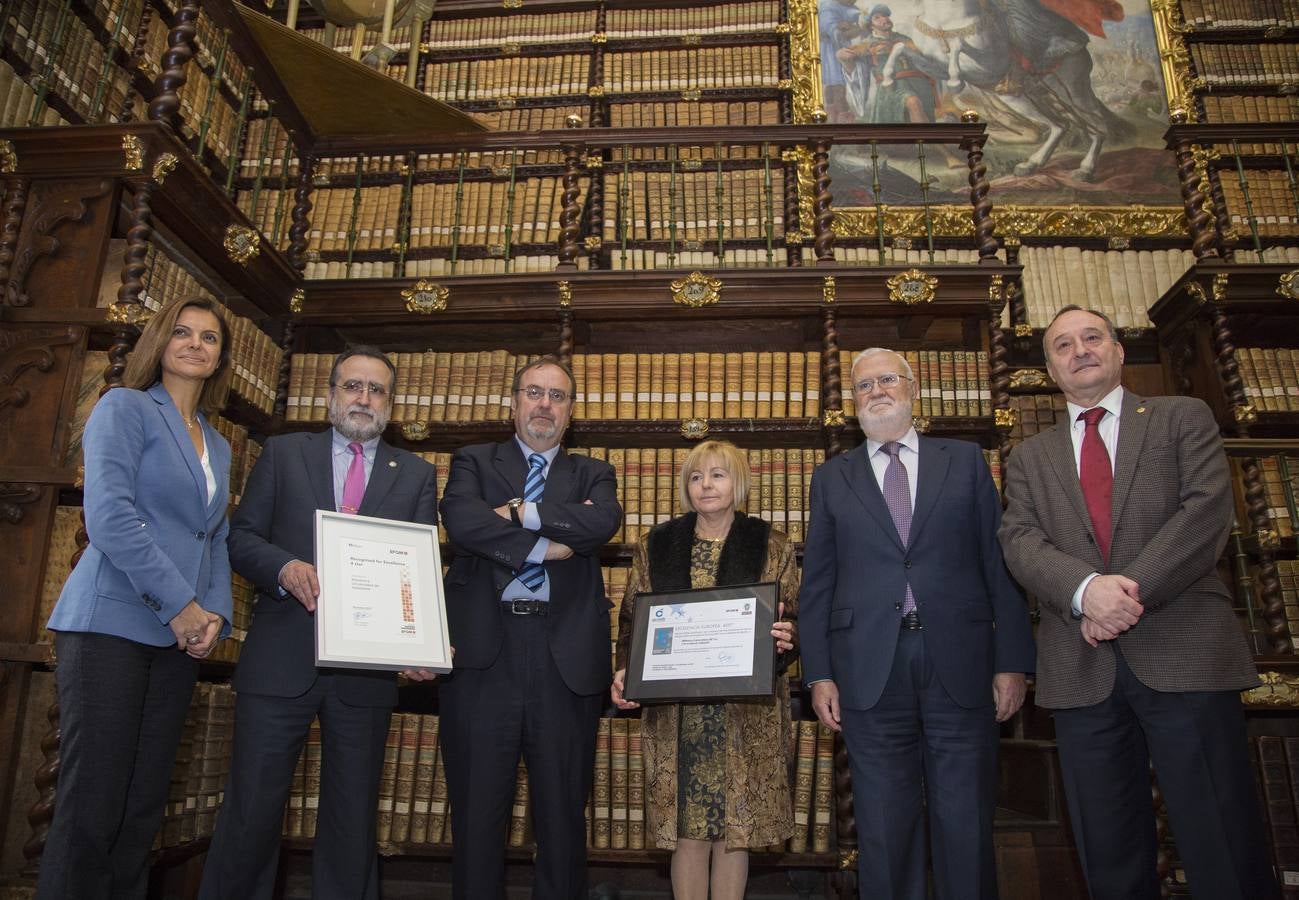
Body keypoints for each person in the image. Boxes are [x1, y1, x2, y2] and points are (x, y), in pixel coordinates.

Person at [998, 306, 1277, 900]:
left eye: (1092, 338)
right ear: (1050, 368)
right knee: (1108, 846)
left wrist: (1124, 595)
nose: (1080, 351)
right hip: (1080, 668)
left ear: (1120, 351)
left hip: (1186, 657)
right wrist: (1085, 592)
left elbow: (1205, 512)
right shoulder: (1028, 456)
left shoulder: (1182, 417)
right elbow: (1019, 541)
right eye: (1063, 346)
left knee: (1220, 836)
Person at [199, 346, 439, 900]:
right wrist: (283, 567)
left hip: (368, 672)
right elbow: (242, 538)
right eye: (352, 386)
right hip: (281, 658)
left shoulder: (418, 474)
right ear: (330, 395)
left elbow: (418, 569)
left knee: (353, 820)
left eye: (376, 390)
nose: (363, 398)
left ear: (391, 404)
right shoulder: (283, 454)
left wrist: (419, 640)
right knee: (251, 811)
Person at [800, 348, 1034, 900]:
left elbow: (999, 565)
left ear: (912, 387)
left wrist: (1014, 661)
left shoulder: (966, 460)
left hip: (963, 662)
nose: (877, 391)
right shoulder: (832, 478)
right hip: (867, 670)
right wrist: (819, 674)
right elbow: (819, 583)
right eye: (863, 386)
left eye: (887, 380)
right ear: (851, 403)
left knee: (966, 818)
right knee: (882, 827)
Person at [38, 296, 233, 899]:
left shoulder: (220, 445)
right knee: (93, 802)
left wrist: (216, 614)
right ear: (159, 341)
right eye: (182, 332)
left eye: (209, 338)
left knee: (144, 804)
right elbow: (110, 517)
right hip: (110, 624)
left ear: (221, 357)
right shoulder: (124, 408)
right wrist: (182, 605)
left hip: (180, 640)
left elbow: (215, 536)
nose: (195, 345)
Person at [438, 355, 621, 900]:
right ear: (513, 402)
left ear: (570, 412)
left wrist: (519, 512)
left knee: (564, 816)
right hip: (482, 657)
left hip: (563, 657)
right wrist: (547, 544)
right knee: (475, 813)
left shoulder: (595, 472)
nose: (544, 404)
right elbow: (462, 520)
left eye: (557, 396)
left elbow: (601, 522)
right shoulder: (472, 460)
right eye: (534, 393)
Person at [611, 439, 799, 900]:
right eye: (696, 476)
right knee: (687, 829)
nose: (706, 485)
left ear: (738, 483)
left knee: (736, 829)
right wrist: (623, 671)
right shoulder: (657, 544)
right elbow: (633, 619)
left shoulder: (770, 544)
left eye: (718, 474)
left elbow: (794, 613)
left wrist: (790, 635)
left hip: (744, 711)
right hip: (677, 714)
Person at [837, 5, 938, 124]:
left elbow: (922, 60)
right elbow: (848, 59)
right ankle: (924, 141)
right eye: (877, 18)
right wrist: (841, 55)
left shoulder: (904, 39)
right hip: (892, 87)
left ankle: (925, 141)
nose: (884, 19)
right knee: (913, 102)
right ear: (871, 25)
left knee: (924, 111)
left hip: (918, 84)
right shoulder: (867, 44)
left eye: (885, 16)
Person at [819, 0, 864, 122]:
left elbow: (857, 27)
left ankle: (835, 117)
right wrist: (853, 30)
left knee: (834, 86)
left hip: (838, 47)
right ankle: (840, 119)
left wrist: (854, 28)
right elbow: (834, 32)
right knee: (837, 86)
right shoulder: (828, 6)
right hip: (833, 49)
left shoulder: (852, 7)